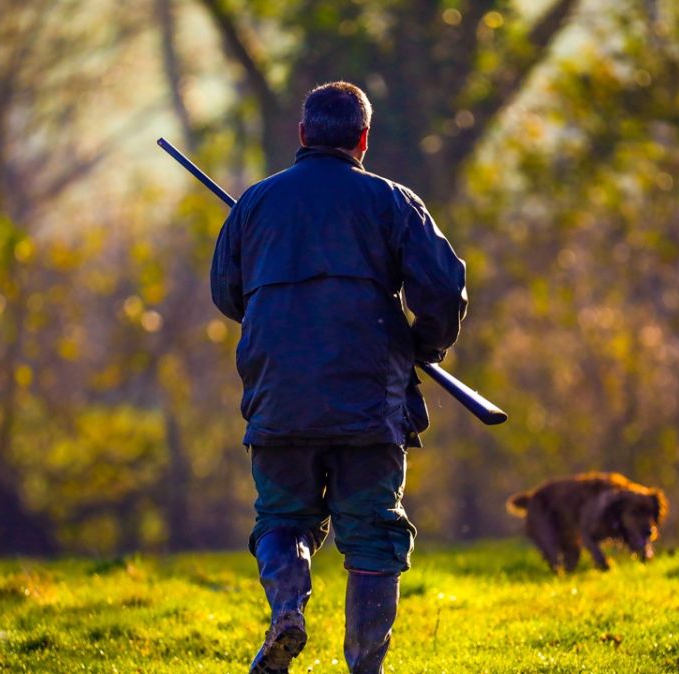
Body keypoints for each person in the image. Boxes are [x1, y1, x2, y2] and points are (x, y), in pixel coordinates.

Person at [210, 81, 468, 674]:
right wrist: (422, 346)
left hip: (278, 398)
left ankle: (286, 611)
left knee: (281, 518)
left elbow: (227, 294)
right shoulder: (392, 201)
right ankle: (364, 668)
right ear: (364, 139)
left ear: (303, 134)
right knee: (373, 533)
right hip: (369, 403)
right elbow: (443, 292)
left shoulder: (254, 203)